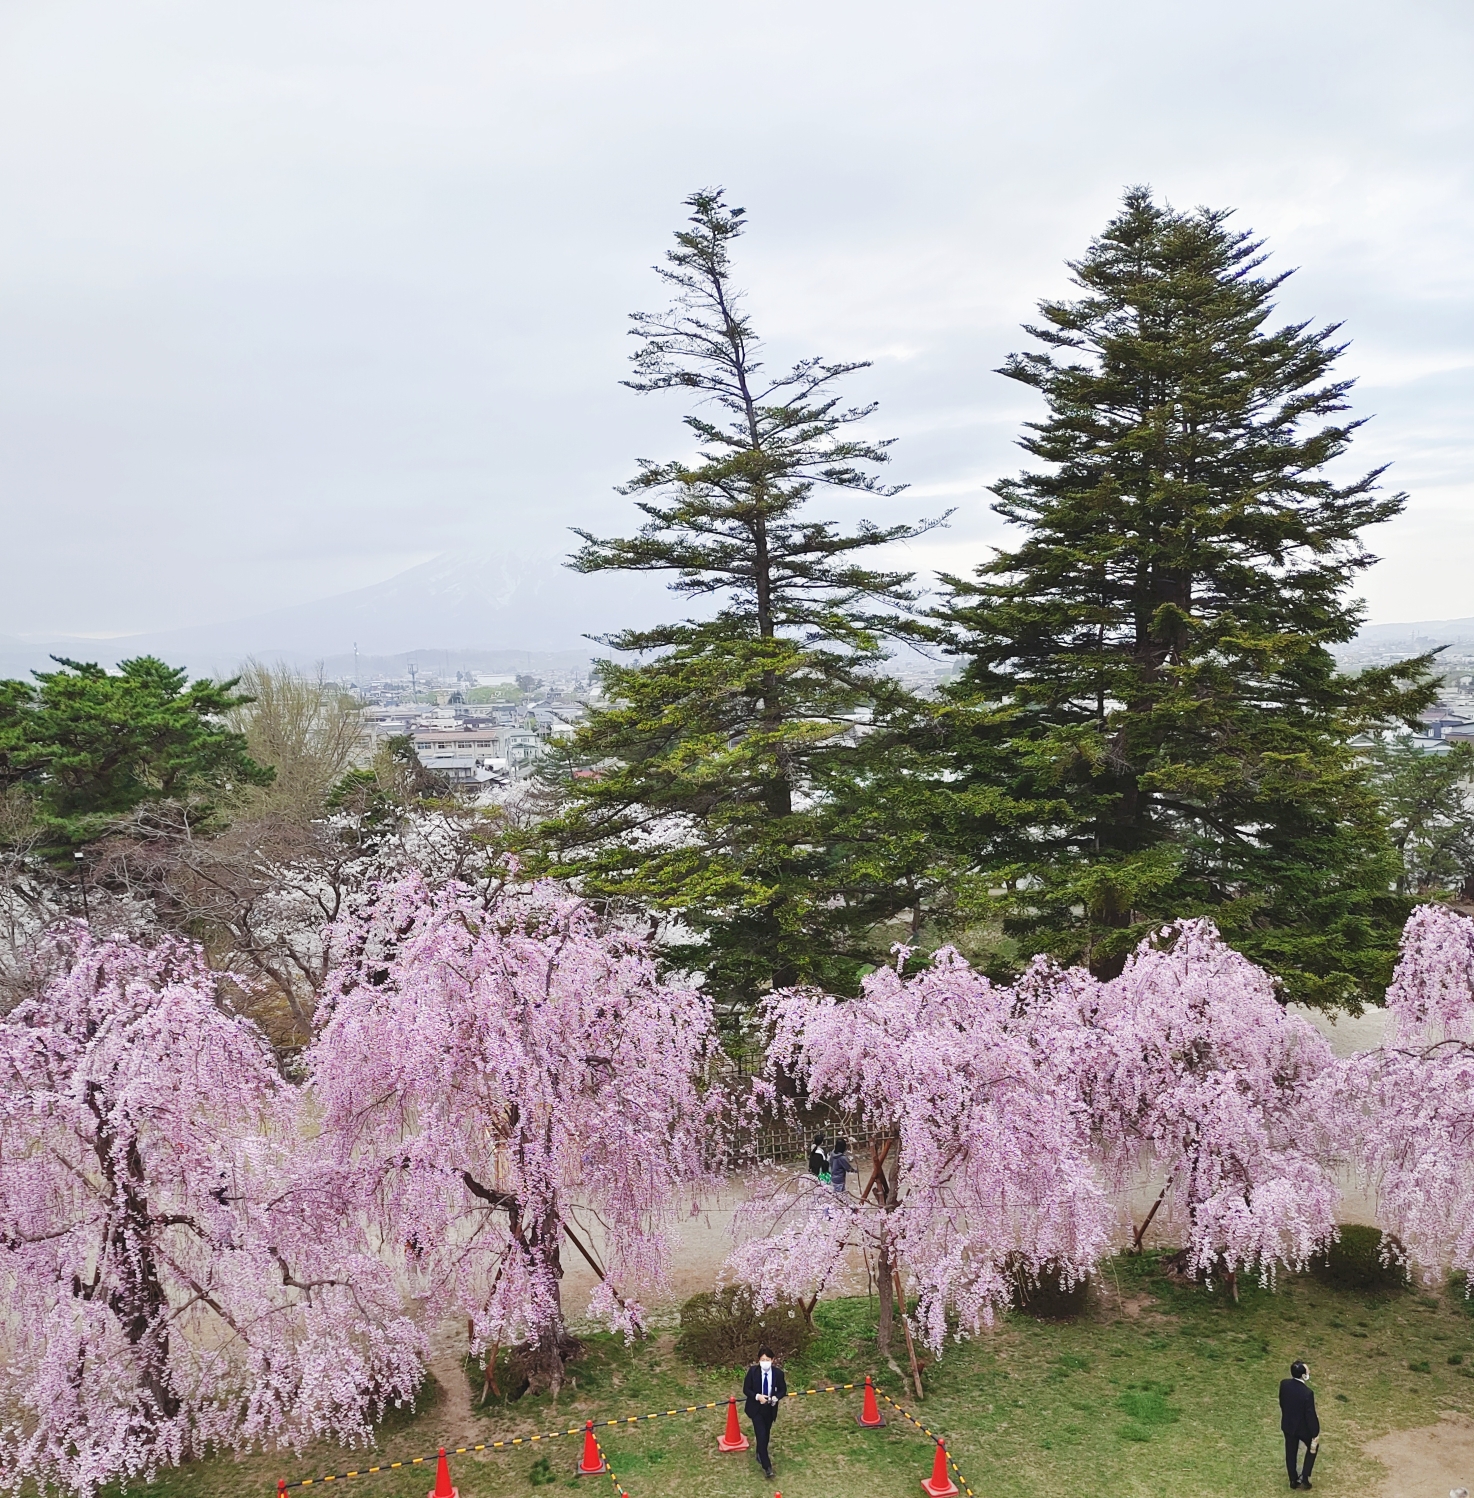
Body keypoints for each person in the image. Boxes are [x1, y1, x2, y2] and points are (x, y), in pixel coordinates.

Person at [742, 1345, 787, 1479]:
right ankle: (767, 1467)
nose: (765, 1362)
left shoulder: (778, 1374)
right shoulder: (753, 1372)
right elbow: (746, 1389)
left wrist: (776, 1397)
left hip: (770, 1409)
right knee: (761, 1435)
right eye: (762, 1359)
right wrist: (757, 1396)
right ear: (758, 1360)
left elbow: (782, 1390)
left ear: (772, 1360)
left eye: (767, 1359)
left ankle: (759, 1453)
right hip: (756, 1409)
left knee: (766, 1434)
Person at [1279, 1360, 1320, 1489]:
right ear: (1303, 1375)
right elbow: (1310, 1415)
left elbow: (1282, 1403)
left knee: (1290, 1451)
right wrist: (1315, 1432)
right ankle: (1305, 1476)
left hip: (1288, 1425)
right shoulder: (1307, 1393)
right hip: (1302, 1428)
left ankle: (1293, 1480)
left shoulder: (1284, 1385)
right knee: (1313, 1447)